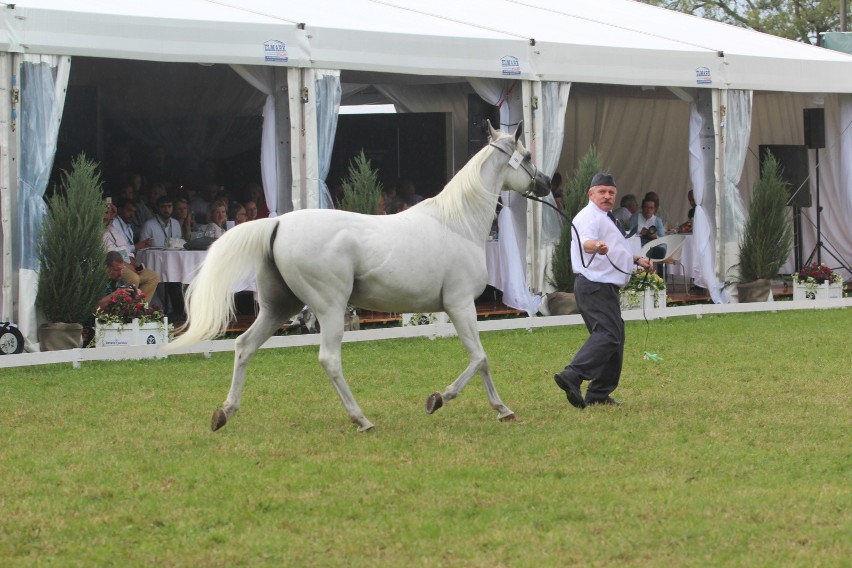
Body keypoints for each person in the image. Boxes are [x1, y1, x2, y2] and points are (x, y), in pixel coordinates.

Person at [553, 173, 653, 408]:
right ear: (591, 194)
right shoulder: (588, 216)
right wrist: (595, 246)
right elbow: (584, 241)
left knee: (614, 337)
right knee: (609, 334)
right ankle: (572, 375)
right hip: (594, 284)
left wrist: (636, 259)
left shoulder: (605, 217)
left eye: (611, 192)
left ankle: (598, 393)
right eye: (602, 192)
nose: (607, 196)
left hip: (602, 285)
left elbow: (616, 249)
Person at [101, 202, 159, 301]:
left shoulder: (112, 228)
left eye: (112, 213)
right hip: (110, 264)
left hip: (124, 261)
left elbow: (123, 248)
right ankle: (126, 311)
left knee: (153, 277)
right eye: (107, 213)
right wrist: (125, 263)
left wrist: (132, 261)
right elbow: (108, 253)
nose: (110, 216)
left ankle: (139, 310)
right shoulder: (96, 229)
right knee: (133, 278)